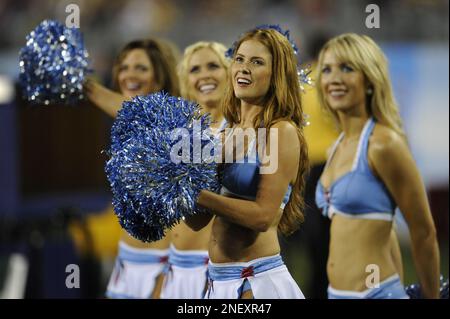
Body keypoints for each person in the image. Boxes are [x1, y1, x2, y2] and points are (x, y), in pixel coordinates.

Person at [186, 28, 308, 299]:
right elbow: (197, 222)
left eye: (257, 62)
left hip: (255, 280)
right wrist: (175, 189)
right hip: (218, 281)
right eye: (240, 59)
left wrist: (199, 194)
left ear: (277, 74)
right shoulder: (225, 131)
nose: (244, 68)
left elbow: (263, 216)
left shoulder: (280, 131)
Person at [315, 33, 440, 299]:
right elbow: (384, 226)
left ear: (369, 80)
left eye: (347, 68)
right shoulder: (338, 144)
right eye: (327, 69)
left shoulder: (384, 143)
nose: (334, 78)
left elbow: (423, 232)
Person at [84, 38, 180, 299]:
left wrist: (83, 84)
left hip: (164, 265)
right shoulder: (124, 128)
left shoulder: (174, 124)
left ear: (159, 79)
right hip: (126, 264)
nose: (129, 75)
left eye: (141, 68)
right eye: (124, 67)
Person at [160, 41, 230, 299]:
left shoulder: (241, 132)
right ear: (185, 81)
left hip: (215, 270)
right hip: (176, 266)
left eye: (214, 66)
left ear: (230, 73)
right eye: (195, 70)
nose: (204, 75)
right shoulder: (179, 133)